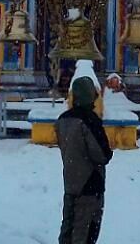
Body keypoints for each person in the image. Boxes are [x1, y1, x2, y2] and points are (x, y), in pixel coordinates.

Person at [56, 77, 113, 244]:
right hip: (90, 182)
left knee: (68, 227)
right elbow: (101, 154)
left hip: (71, 180)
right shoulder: (89, 120)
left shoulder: (62, 120)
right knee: (85, 231)